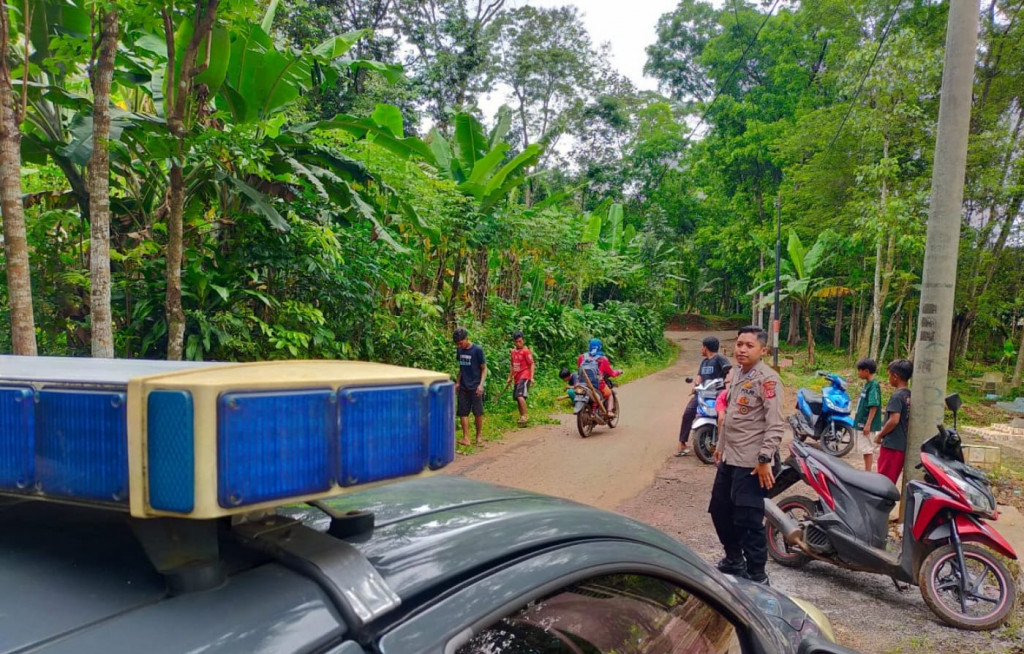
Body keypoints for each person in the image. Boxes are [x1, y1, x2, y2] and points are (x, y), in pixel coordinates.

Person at [709, 326, 784, 585]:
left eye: (749, 345)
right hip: (730, 457)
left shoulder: (768, 380)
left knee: (748, 519)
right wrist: (720, 446)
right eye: (739, 344)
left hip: (752, 463)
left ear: (762, 350)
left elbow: (775, 424)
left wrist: (764, 460)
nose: (741, 349)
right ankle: (733, 560)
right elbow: (729, 416)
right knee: (719, 509)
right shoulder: (737, 374)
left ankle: (757, 576)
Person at [677, 336, 731, 456]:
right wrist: (696, 386)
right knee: (688, 413)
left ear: (705, 348)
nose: (701, 349)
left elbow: (729, 371)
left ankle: (726, 442)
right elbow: (699, 376)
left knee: (725, 415)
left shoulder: (720, 359)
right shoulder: (704, 362)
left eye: (702, 347)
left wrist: (727, 380)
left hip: (717, 393)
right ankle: (682, 443)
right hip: (703, 393)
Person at [875, 359, 912, 485]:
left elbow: (894, 420)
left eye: (889, 375)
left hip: (892, 445)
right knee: (890, 478)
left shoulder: (897, 396)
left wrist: (880, 435)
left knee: (884, 480)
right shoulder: (908, 395)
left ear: (895, 377)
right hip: (901, 446)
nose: (888, 378)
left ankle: (880, 504)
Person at [453, 327, 487, 447]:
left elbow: (484, 369)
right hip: (463, 386)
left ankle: (478, 437)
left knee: (478, 412)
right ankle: (466, 437)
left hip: (475, 386)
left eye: (461, 343)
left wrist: (481, 385)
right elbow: (461, 368)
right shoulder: (459, 350)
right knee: (463, 412)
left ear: (466, 339)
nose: (459, 345)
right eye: (457, 344)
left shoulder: (477, 350)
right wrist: (457, 382)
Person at [577, 338, 621, 417]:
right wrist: (619, 372)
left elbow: (579, 369)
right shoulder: (602, 359)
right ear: (600, 347)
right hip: (598, 385)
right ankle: (609, 411)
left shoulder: (582, 357)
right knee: (610, 394)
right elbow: (611, 373)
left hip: (583, 384)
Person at [854, 358, 882, 472]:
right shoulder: (867, 385)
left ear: (866, 371)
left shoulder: (873, 386)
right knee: (864, 449)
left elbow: (874, 405)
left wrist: (868, 424)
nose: (858, 373)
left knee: (867, 449)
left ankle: (868, 471)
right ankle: (867, 470)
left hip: (866, 422)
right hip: (862, 421)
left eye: (859, 370)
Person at [505, 331, 535, 425]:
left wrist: (532, 377)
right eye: (516, 342)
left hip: (525, 376)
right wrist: (509, 378)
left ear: (523, 340)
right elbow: (512, 365)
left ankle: (525, 416)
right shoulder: (513, 352)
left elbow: (532, 364)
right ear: (514, 342)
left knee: (520, 395)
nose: (518, 343)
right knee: (517, 398)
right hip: (516, 377)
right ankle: (522, 417)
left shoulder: (526, 351)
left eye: (520, 341)